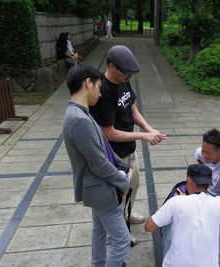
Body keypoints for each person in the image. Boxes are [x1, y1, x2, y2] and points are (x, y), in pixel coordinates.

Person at [90, 45, 167, 245]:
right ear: (112, 67)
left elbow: (132, 109)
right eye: (127, 73)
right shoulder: (103, 92)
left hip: (129, 150)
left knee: (134, 185)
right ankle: (114, 232)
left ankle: (125, 216)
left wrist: (149, 129)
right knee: (118, 195)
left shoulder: (123, 81)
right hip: (114, 156)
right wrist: (142, 136)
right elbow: (108, 133)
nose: (129, 77)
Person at [63, 64, 132, 267]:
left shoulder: (80, 113)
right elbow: (99, 164)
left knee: (99, 232)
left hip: (96, 188)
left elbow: (104, 147)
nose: (100, 94)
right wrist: (123, 180)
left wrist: (123, 166)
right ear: (87, 83)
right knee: (122, 240)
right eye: (99, 87)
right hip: (101, 188)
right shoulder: (78, 119)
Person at [144, 164, 220, 267]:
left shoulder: (176, 201)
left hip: (175, 264)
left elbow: (148, 227)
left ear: (189, 179)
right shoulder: (219, 203)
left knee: (169, 224)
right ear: (209, 184)